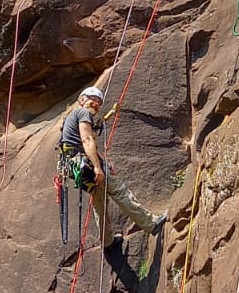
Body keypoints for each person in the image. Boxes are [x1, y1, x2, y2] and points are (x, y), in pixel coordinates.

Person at [59, 86, 166, 249]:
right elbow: (87, 140)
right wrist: (97, 167)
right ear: (81, 100)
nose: (96, 104)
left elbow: (81, 144)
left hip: (73, 166)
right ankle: (151, 223)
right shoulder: (82, 113)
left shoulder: (70, 118)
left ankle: (107, 241)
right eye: (93, 99)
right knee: (119, 190)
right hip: (83, 165)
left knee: (99, 200)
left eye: (99, 102)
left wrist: (103, 161)